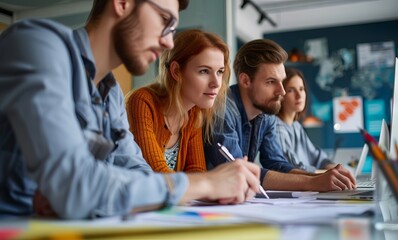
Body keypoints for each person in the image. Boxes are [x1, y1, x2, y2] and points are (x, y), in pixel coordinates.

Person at [0, 0, 261, 219]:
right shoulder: (36, 44)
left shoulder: (110, 92)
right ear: (123, 3)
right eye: (163, 20)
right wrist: (205, 183)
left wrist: (95, 190)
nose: (169, 42)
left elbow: (137, 174)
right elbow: (75, 187)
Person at [204, 39, 356, 192]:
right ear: (245, 80)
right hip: (208, 203)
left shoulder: (266, 113)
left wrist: (318, 178)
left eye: (282, 81)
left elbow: (277, 164)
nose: (282, 91)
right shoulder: (222, 110)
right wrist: (313, 183)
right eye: (271, 82)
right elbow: (237, 172)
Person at [126, 29, 229, 173]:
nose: (216, 83)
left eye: (220, 72)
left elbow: (197, 171)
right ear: (176, 71)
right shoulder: (143, 102)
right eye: (204, 71)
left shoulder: (194, 113)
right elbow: (158, 174)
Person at [276, 67, 353, 175]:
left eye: (301, 89)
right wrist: (328, 173)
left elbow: (318, 157)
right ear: (281, 94)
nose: (299, 96)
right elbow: (294, 168)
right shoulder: (277, 128)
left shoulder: (296, 126)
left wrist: (337, 169)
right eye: (291, 90)